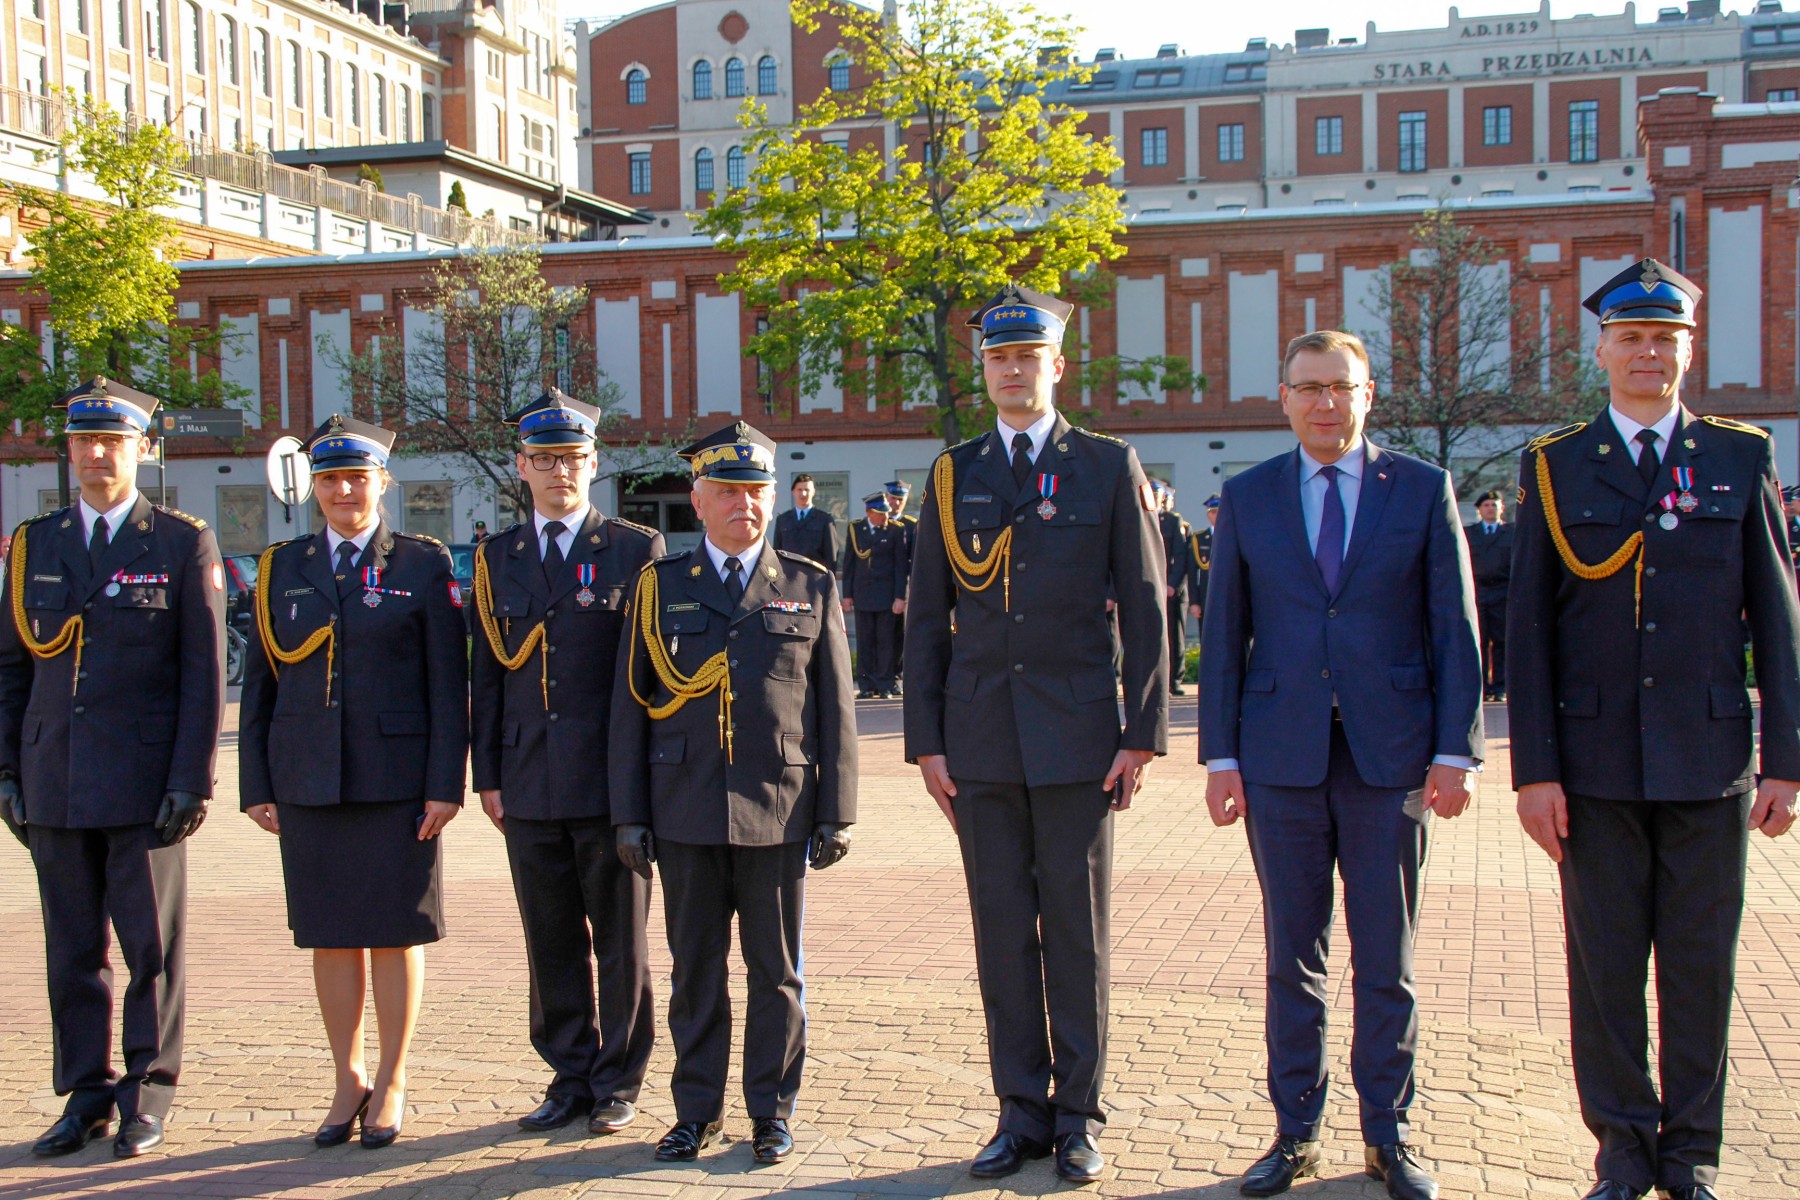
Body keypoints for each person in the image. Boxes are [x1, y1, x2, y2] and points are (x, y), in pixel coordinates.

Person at [1507, 259, 1800, 1200]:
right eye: (1630, 337)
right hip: (1591, 770)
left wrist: (1786, 762)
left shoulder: (1738, 458)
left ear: (1687, 348)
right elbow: (1530, 635)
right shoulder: (1554, 464)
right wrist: (1534, 771)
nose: (1648, 353)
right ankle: (1623, 1153)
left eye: (1664, 337)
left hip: (1709, 762)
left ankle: (1693, 1156)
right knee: (1604, 976)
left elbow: (1778, 622)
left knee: (1701, 972)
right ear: (1601, 350)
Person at [1199, 329, 1482, 1200]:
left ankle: (1387, 1136)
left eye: (1342, 387)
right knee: (1294, 957)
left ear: (1369, 396)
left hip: (1389, 757)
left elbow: (1455, 628)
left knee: (1385, 960)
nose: (1326, 403)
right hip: (1279, 759)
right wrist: (1220, 756)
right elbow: (1222, 637)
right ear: (1283, 398)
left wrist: (1453, 749)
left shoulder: (1423, 490)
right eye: (1309, 387)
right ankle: (1295, 1134)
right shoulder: (1248, 497)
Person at [904, 283, 1168, 1184]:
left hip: (1079, 740)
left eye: (1029, 357)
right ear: (984, 371)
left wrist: (1141, 733)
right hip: (979, 740)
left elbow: (1145, 603)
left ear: (1058, 366)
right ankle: (1019, 1112)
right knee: (1002, 928)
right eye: (998, 358)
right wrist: (927, 743)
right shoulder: (952, 474)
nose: (1014, 371)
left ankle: (1079, 1116)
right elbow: (926, 620)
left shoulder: (1104, 464)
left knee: (1077, 931)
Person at [609, 420, 857, 1166]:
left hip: (778, 807)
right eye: (727, 490)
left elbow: (835, 710)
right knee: (694, 971)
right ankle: (695, 1112)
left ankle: (771, 1112)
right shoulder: (659, 587)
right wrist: (629, 815)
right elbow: (629, 706)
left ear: (772, 496)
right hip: (682, 806)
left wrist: (837, 811)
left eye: (755, 491)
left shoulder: (809, 583)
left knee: (776, 973)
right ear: (697, 497)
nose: (742, 504)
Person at [0, 378, 225, 1159]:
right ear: (68, 449)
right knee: (70, 951)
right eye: (83, 441)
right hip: (52, 777)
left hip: (143, 784)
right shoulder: (37, 544)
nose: (96, 454)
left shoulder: (178, 541)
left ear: (143, 448)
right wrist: (7, 769)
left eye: (113, 441)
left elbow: (202, 674)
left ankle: (147, 1094)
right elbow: (10, 667)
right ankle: (85, 1096)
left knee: (149, 952)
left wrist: (191, 779)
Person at [239, 415, 469, 1151]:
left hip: (399, 783)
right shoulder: (282, 567)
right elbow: (261, 687)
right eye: (331, 478)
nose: (344, 490)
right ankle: (348, 1078)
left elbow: (446, 683)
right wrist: (255, 782)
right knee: (331, 938)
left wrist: (445, 784)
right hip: (308, 777)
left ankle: (393, 1079)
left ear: (382, 484)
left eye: (358, 478)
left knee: (397, 935)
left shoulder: (422, 565)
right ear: (314, 487)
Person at [470, 390, 662, 1137]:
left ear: (594, 463)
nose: (559, 472)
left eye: (572, 458)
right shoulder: (496, 558)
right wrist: (487, 773)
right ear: (521, 467)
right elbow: (486, 675)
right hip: (526, 779)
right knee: (549, 937)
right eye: (544, 459)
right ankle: (568, 1073)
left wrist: (641, 784)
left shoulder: (632, 549)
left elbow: (646, 681)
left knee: (621, 939)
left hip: (609, 782)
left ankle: (619, 1079)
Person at [840, 494, 908, 699]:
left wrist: (899, 597)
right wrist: (847, 595)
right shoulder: (855, 529)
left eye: (887, 512)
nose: (885, 517)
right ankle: (867, 684)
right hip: (863, 595)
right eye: (881, 513)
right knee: (865, 641)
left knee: (886, 642)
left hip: (887, 596)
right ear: (869, 513)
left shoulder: (896, 530)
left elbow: (900, 566)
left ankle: (886, 684)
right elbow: (849, 564)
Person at [1463, 490, 1513, 701]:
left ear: (1502, 508)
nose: (1490, 508)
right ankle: (1482, 686)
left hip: (1503, 591)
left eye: (1494, 504)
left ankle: (1500, 687)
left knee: (1501, 641)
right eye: (1486, 505)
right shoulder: (1469, 533)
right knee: (1479, 640)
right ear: (1479, 510)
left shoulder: (1512, 532)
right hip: (1477, 591)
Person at [1155, 481, 1193, 695]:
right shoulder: (1139, 517)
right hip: (1150, 589)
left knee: (1174, 636)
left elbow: (1181, 556)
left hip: (1171, 590)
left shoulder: (1173, 521)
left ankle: (1174, 679)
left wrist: (1172, 584)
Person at [770, 474, 839, 568]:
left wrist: (828, 580)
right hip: (788, 576)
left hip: (814, 576)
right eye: (800, 490)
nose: (803, 494)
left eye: (807, 490)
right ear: (793, 491)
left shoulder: (825, 520)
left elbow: (831, 555)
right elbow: (777, 552)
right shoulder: (783, 519)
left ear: (813, 492)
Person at [1186, 494, 1219, 627]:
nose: (1217, 516)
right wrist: (1194, 602)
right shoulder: (1199, 539)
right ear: (1208, 515)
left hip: (1231, 597)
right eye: (1213, 512)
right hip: (1206, 596)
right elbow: (1192, 573)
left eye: (1220, 512)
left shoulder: (1234, 536)